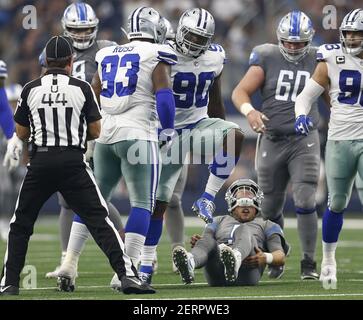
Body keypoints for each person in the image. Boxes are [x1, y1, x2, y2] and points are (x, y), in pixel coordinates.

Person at [0, 35, 154, 295]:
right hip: (73, 162)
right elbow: (95, 130)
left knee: (21, 224)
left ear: (46, 62)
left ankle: (10, 283)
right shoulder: (82, 87)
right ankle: (127, 276)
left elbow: (21, 131)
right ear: (70, 62)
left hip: (41, 164)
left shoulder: (30, 88)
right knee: (99, 220)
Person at [57, 6, 177, 291]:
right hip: (138, 135)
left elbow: (92, 96)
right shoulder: (155, 55)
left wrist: (89, 133)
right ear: (156, 30)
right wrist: (169, 129)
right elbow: (163, 96)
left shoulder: (107, 53)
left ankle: (70, 263)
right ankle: (128, 269)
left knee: (91, 202)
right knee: (142, 204)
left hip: (105, 137)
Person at [136, 8, 244, 285]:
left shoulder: (215, 57)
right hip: (166, 133)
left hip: (197, 125)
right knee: (159, 202)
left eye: (201, 38)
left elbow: (215, 99)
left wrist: (219, 134)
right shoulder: (161, 52)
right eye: (191, 36)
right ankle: (145, 264)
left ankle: (207, 197)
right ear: (180, 31)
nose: (195, 43)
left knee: (235, 135)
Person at [38, 2, 125, 279]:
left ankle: (127, 249)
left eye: (87, 29)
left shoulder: (106, 47)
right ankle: (68, 262)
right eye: (77, 29)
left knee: (96, 195)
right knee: (67, 200)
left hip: (98, 127)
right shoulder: (55, 49)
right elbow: (43, 85)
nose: (82, 34)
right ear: (66, 29)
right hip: (67, 130)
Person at [231, 11, 320, 280]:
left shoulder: (319, 58)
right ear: (279, 39)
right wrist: (250, 112)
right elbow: (239, 92)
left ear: (309, 40)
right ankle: (278, 252)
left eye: (299, 43)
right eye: (288, 42)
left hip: (304, 139)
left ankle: (308, 262)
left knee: (305, 199)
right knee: (269, 208)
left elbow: (331, 95)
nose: (293, 47)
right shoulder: (267, 56)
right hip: (271, 138)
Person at [294, 8, 363, 289]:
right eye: (347, 33)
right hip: (339, 139)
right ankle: (329, 260)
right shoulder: (331, 57)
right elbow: (306, 96)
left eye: (357, 33)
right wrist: (300, 115)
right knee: (336, 202)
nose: (351, 38)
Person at [172, 179, 288, 286]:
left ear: (257, 205)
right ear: (232, 205)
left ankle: (236, 257)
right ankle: (190, 262)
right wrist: (200, 243)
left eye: (249, 203)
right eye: (242, 203)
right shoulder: (218, 220)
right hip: (217, 271)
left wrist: (265, 257)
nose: (245, 207)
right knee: (207, 240)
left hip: (246, 271)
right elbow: (207, 242)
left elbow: (281, 256)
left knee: (244, 229)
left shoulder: (268, 225)